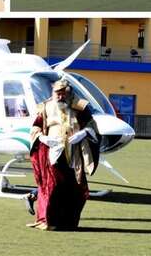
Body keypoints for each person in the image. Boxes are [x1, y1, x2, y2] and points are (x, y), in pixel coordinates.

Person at [27, 78, 100, 231]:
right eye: (57, 94)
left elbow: (92, 125)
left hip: (74, 155)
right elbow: (35, 127)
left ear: (69, 93)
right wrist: (42, 138)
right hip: (53, 152)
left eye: (63, 93)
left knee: (75, 189)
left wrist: (84, 133)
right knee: (52, 187)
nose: (60, 97)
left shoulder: (80, 107)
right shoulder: (46, 107)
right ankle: (48, 221)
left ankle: (68, 222)